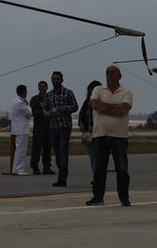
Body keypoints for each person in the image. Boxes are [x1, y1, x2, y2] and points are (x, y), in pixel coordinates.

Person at [87, 64, 132, 206]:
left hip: (119, 136)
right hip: (100, 135)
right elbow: (95, 105)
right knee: (99, 169)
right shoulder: (98, 89)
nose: (109, 75)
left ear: (120, 76)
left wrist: (104, 108)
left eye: (113, 72)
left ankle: (124, 198)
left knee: (122, 169)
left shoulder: (126, 92)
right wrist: (114, 106)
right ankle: (98, 197)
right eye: (107, 72)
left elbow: (123, 110)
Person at [43, 71, 78, 187]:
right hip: (53, 127)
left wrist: (65, 108)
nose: (55, 81)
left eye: (57, 79)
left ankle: (62, 178)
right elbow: (45, 110)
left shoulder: (68, 93)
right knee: (57, 152)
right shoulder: (48, 95)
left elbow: (75, 107)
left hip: (64, 127)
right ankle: (61, 171)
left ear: (62, 80)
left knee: (63, 151)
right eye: (53, 79)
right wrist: (48, 114)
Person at [77, 80, 101, 181]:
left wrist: (94, 125)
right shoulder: (87, 102)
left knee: (98, 155)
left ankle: (98, 176)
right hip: (88, 132)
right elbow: (81, 113)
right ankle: (95, 175)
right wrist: (81, 123)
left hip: (98, 132)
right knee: (92, 155)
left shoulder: (100, 102)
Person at [29, 80, 53, 175]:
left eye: (44, 86)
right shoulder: (34, 99)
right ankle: (35, 167)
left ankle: (47, 167)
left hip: (49, 127)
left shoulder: (50, 98)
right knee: (36, 149)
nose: (42, 88)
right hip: (39, 127)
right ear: (38, 88)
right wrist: (42, 113)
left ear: (46, 88)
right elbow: (33, 112)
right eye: (40, 86)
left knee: (47, 149)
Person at [9, 84, 33, 175]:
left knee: (19, 149)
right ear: (23, 92)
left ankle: (16, 168)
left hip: (18, 128)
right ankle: (19, 169)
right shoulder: (20, 102)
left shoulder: (16, 101)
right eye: (26, 91)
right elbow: (30, 113)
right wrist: (28, 104)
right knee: (21, 150)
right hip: (22, 129)